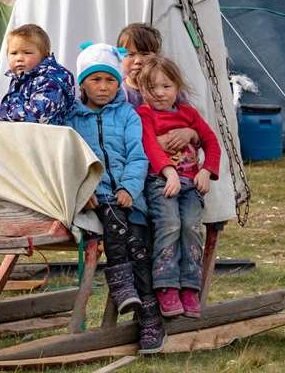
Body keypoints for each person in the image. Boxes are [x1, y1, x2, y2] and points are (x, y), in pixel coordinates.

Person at [67, 42, 165, 354]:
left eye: (110, 80)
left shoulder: (127, 115)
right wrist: (85, 192)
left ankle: (145, 312)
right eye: (96, 79)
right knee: (120, 228)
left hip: (126, 197)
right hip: (96, 199)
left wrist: (128, 189)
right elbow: (70, 160)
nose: (104, 87)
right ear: (82, 82)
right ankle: (135, 301)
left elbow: (138, 157)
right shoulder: (71, 119)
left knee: (138, 244)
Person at [135, 55, 221, 320]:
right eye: (152, 88)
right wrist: (169, 172)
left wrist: (207, 170)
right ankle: (166, 285)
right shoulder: (144, 114)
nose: (160, 93)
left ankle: (190, 286)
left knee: (191, 227)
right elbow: (149, 145)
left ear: (177, 87)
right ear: (141, 90)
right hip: (161, 182)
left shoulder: (189, 114)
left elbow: (212, 143)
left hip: (191, 184)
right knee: (169, 224)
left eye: (166, 86)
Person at [117, 22, 199, 156]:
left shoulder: (170, 90)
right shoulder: (120, 93)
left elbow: (198, 126)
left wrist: (189, 133)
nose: (137, 60)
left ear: (157, 56)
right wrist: (151, 143)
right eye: (130, 54)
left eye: (144, 54)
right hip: (136, 163)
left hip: (176, 164)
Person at [0, 24, 75, 125]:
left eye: (27, 52)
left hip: (47, 138)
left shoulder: (50, 81)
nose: (19, 58)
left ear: (44, 56)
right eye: (14, 53)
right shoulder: (19, 79)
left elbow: (38, 114)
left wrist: (1, 111)